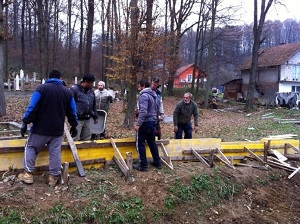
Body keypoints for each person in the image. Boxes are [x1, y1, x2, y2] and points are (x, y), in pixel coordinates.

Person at [18, 69, 78, 186]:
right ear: (61, 78)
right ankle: (53, 177)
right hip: (57, 130)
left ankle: (28, 174)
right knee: (55, 152)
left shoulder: (42, 89)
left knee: (31, 148)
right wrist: (74, 125)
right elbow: (72, 111)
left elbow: (33, 106)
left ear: (49, 78)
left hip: (40, 128)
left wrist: (25, 122)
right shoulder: (67, 92)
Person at [134, 79, 162, 172]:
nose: (138, 89)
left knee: (140, 143)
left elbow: (144, 111)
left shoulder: (144, 95)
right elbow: (156, 109)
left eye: (139, 86)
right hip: (153, 122)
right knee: (152, 142)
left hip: (145, 122)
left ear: (143, 86)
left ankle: (143, 165)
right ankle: (157, 162)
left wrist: (138, 124)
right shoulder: (154, 95)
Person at [70, 74, 98, 141]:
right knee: (75, 139)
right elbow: (70, 104)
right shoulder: (74, 90)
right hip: (77, 119)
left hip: (88, 119)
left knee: (87, 139)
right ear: (85, 81)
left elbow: (93, 105)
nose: (92, 85)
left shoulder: (91, 92)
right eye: (91, 83)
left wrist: (95, 116)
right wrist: (72, 117)